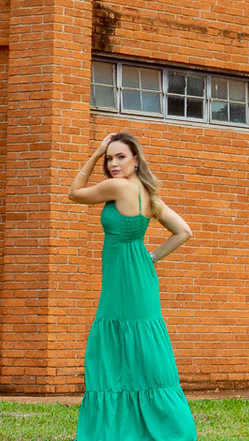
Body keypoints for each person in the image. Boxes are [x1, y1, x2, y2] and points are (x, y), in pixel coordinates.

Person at [68, 131, 197, 441]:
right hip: (140, 276)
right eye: (109, 158)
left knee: (111, 355)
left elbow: (74, 192)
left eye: (120, 156)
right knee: (147, 356)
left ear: (136, 160)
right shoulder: (149, 195)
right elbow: (183, 232)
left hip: (123, 281)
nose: (113, 163)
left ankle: (114, 432)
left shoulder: (118, 187)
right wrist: (149, 257)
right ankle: (170, 430)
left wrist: (96, 152)